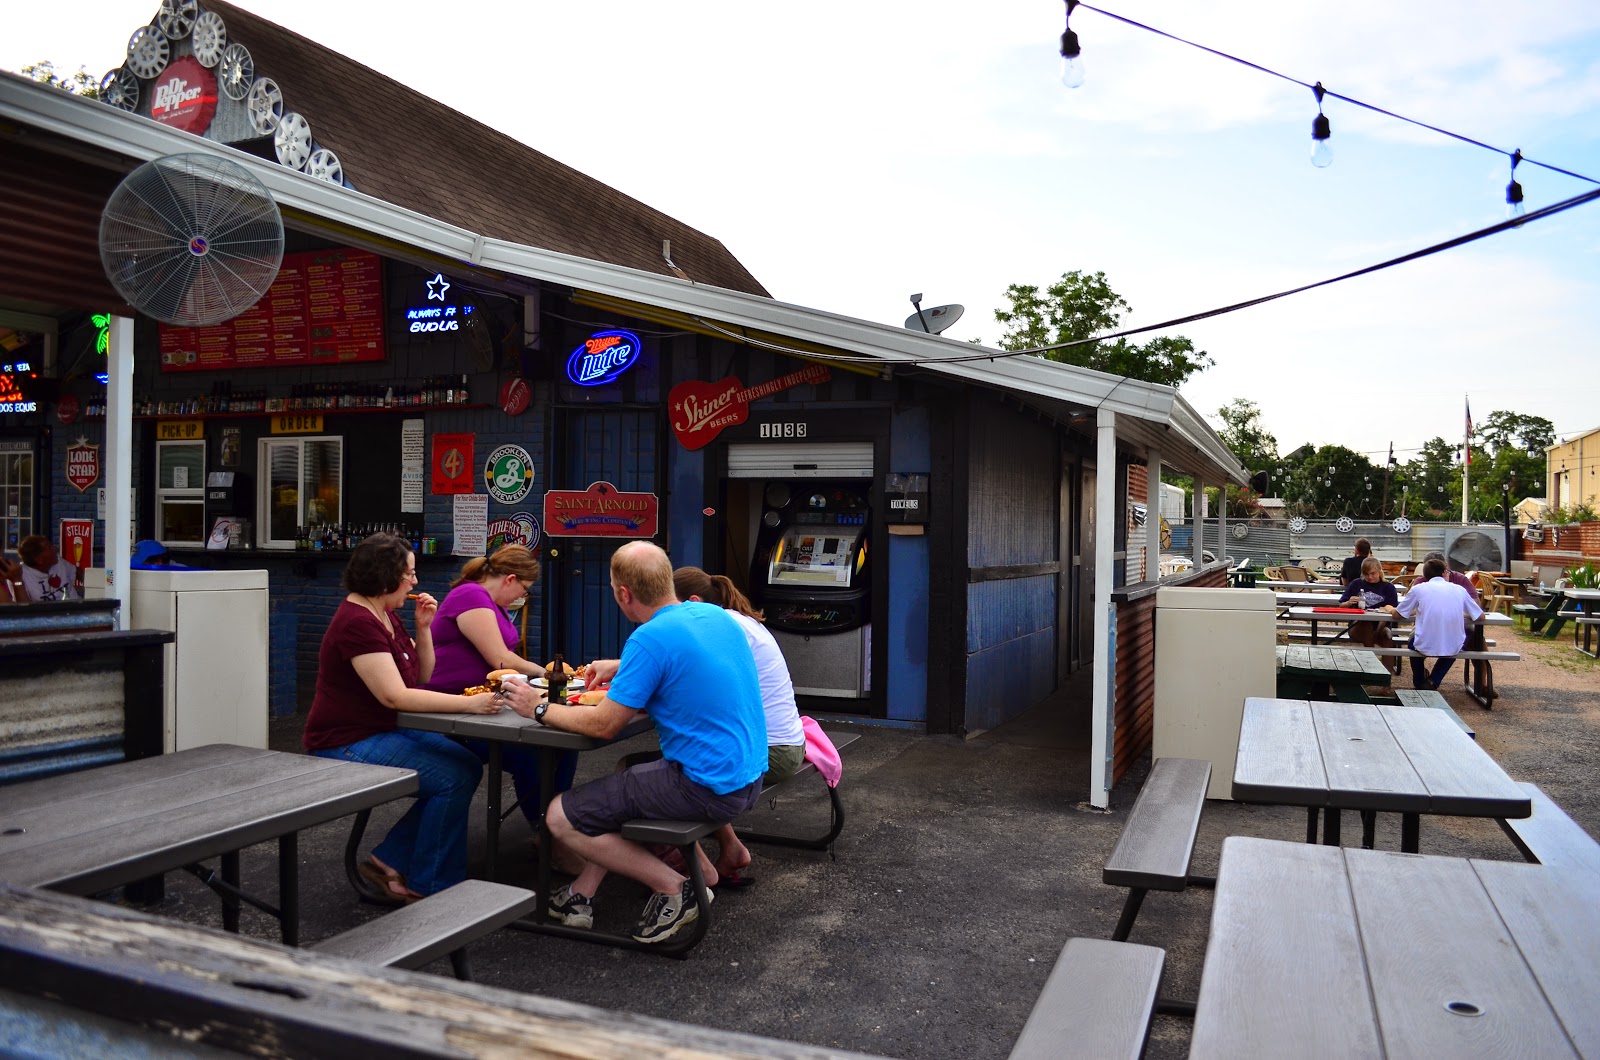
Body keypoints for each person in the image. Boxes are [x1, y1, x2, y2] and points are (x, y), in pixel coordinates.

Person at [504, 541, 766, 944]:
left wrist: (536, 707)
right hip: (748, 778)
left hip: (702, 786)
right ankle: (581, 894)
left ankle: (675, 888)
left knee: (560, 815)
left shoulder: (648, 638)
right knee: (621, 788)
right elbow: (687, 663)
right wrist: (623, 669)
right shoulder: (714, 616)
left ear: (624, 594)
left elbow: (603, 724)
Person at [302, 532, 500, 903]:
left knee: (466, 765)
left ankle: (390, 858)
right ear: (385, 576)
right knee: (453, 777)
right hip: (345, 741)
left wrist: (424, 628)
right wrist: (471, 705)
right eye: (409, 573)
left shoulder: (385, 614)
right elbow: (395, 695)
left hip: (379, 729)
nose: (415, 581)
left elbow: (422, 676)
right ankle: (430, 885)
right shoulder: (357, 622)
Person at [423, 545, 579, 859]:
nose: (522, 597)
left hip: (485, 704)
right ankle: (550, 837)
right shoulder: (472, 596)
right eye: (524, 589)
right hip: (453, 708)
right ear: (510, 579)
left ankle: (557, 829)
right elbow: (499, 657)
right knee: (532, 755)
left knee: (565, 746)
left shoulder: (487, 602)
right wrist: (553, 674)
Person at [672, 565, 806, 889]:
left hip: (771, 752)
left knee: (669, 774)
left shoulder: (722, 627)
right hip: (785, 744)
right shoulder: (737, 620)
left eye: (668, 608)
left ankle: (688, 868)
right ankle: (731, 848)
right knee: (691, 760)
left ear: (692, 601)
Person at [1396, 556, 1484, 690]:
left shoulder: (1418, 589)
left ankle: (1419, 680)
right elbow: (1480, 616)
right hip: (1453, 644)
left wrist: (1390, 609)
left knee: (1412, 644)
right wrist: (1462, 614)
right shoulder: (1459, 590)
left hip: (1423, 642)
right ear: (1444, 573)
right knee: (1455, 644)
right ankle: (1434, 680)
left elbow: (1399, 614)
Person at [1338, 556, 1401, 672]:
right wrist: (1349, 602)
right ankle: (1371, 667)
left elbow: (1394, 610)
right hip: (1358, 625)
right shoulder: (1357, 584)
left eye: (1373, 574)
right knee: (1366, 626)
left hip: (1381, 625)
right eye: (1366, 574)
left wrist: (1386, 609)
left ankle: (1387, 674)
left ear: (1379, 571)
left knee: (1387, 634)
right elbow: (1341, 605)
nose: (1370, 577)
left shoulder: (1389, 587)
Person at [18, 534, 82, 601]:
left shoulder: (59, 562)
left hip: (75, 609)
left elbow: (78, 573)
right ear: (39, 559)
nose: (55, 549)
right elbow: (23, 606)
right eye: (50, 548)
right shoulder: (20, 574)